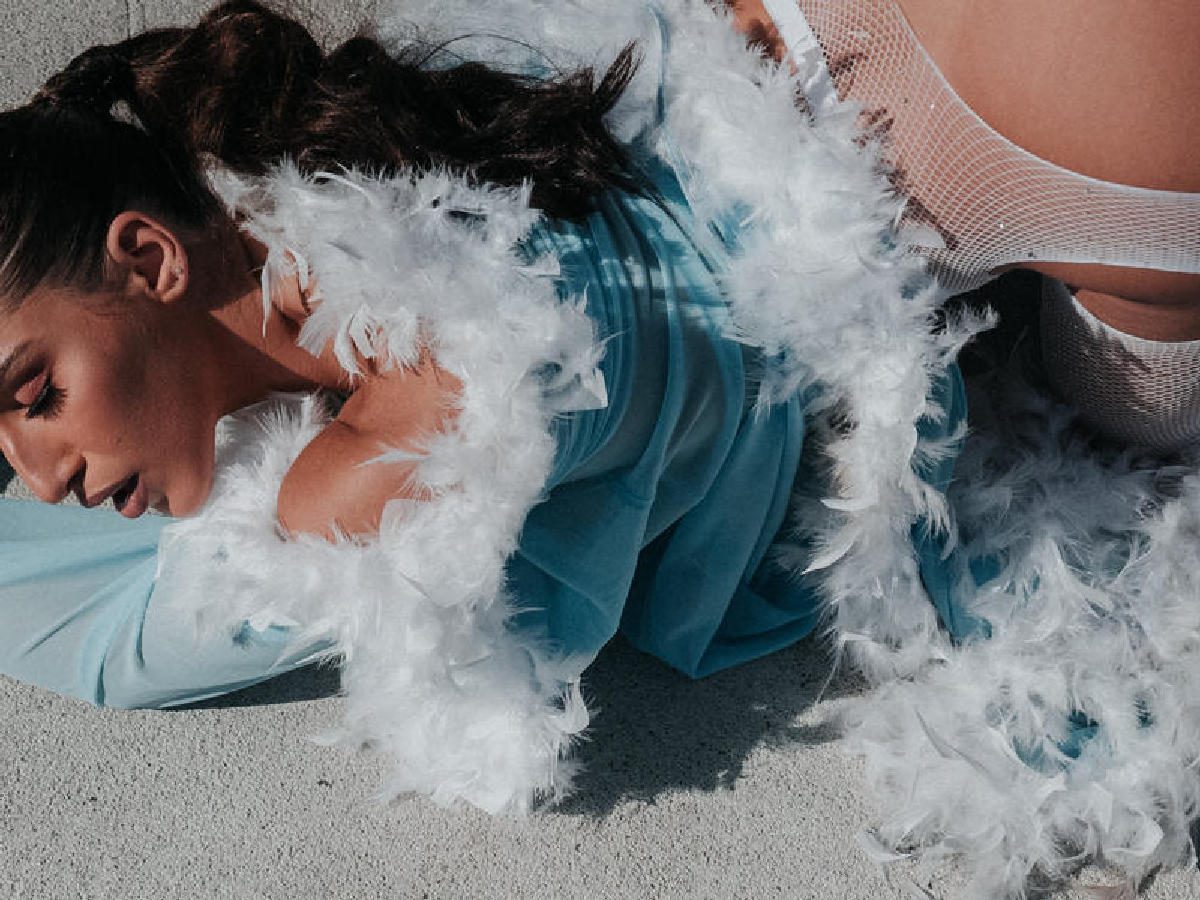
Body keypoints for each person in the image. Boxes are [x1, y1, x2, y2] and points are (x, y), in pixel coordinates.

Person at [0, 0, 1197, 868]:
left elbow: (96, 634)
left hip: (1059, 121)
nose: (38, 483)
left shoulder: (374, 464)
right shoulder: (379, 122)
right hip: (958, 85)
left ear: (149, 254)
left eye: (33, 394)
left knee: (1133, 436)